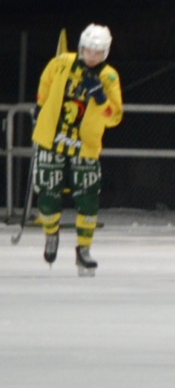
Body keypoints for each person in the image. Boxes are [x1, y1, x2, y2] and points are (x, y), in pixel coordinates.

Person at [32, 24, 123, 276]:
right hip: (52, 138)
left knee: (88, 197)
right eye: (87, 50)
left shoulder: (109, 77)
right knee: (48, 192)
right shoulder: (61, 62)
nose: (91, 56)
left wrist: (101, 97)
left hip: (85, 145)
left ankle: (84, 249)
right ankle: (51, 234)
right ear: (80, 47)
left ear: (104, 52)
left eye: (97, 52)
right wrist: (40, 108)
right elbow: (45, 83)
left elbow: (114, 117)